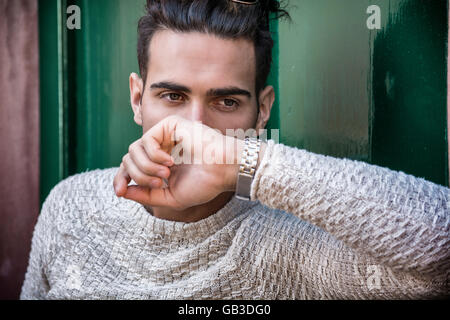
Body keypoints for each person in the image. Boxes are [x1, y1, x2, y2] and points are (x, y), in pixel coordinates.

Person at [21, 0, 449, 299]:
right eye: (171, 96)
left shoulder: (287, 246)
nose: (195, 130)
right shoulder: (69, 205)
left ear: (262, 111)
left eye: (226, 102)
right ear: (137, 99)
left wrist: (243, 165)